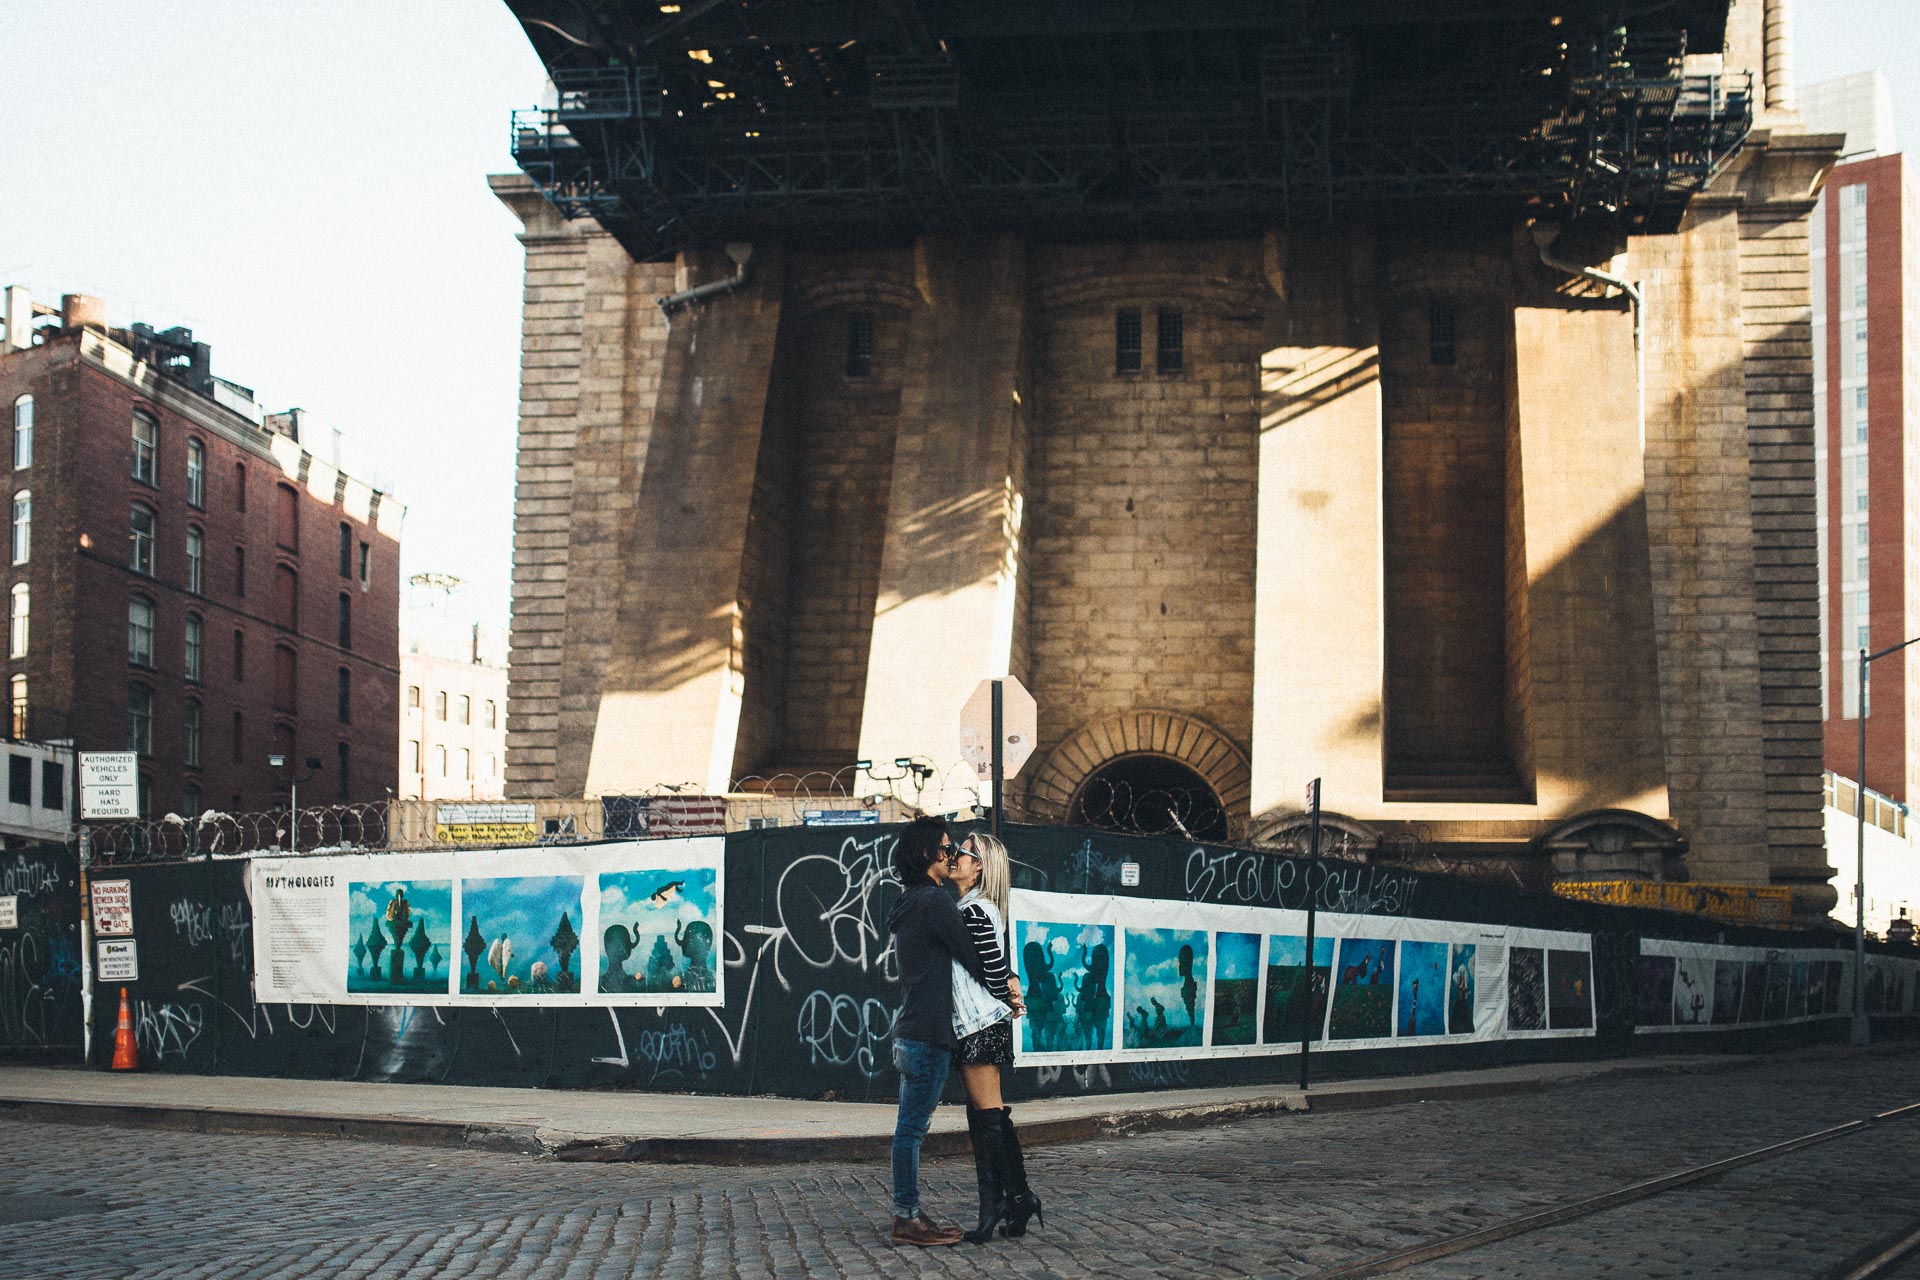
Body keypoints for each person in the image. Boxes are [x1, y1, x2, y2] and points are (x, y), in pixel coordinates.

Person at [882, 816, 1002, 1247]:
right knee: (911, 1131)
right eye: (947, 848)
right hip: (928, 1033)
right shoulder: (933, 902)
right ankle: (905, 1218)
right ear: (928, 854)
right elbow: (973, 956)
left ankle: (910, 1212)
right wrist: (1007, 982)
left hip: (912, 1030)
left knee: (908, 1128)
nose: (953, 855)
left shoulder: (911, 900)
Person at [946, 831, 1044, 1244]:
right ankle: (1018, 1198)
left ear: (979, 865)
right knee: (989, 1116)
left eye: (961, 854)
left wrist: (1010, 994)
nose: (953, 857)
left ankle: (1007, 1201)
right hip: (982, 1022)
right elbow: (998, 966)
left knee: (988, 1119)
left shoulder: (974, 911)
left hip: (980, 1024)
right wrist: (1011, 988)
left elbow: (991, 966)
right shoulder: (974, 908)